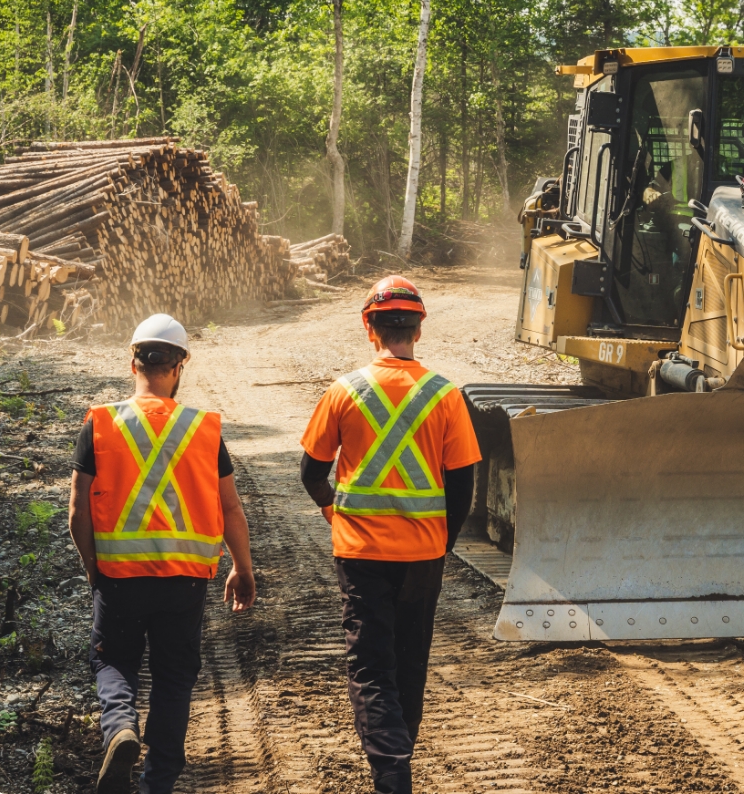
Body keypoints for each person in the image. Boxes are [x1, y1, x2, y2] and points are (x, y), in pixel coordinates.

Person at [300, 276, 481, 794]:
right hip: (423, 554)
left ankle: (391, 771)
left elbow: (311, 473)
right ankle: (399, 762)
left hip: (360, 554)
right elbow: (462, 484)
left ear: (368, 327)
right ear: (418, 330)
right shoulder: (446, 395)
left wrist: (334, 512)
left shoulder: (344, 391)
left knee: (371, 663)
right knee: (409, 660)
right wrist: (441, 544)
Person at [68, 313, 255, 794]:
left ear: (133, 361)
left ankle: (121, 729)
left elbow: (76, 512)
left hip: (119, 579)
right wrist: (242, 567)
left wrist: (94, 567)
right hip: (185, 581)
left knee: (114, 663)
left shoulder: (101, 423)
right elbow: (230, 506)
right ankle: (159, 782)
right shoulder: (204, 429)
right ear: (180, 365)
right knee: (175, 676)